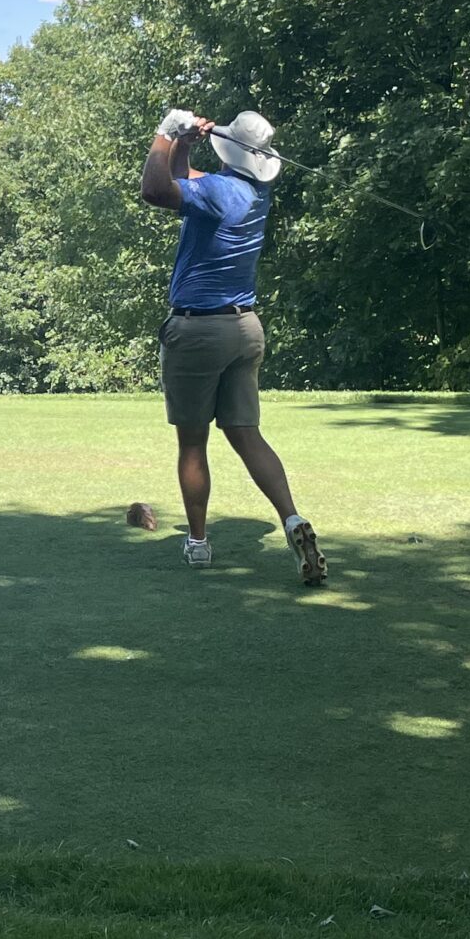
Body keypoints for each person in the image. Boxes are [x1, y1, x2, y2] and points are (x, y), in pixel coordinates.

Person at [139, 108, 325, 583]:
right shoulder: (254, 193)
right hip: (245, 330)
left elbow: (156, 189)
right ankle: (293, 519)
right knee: (245, 434)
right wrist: (186, 141)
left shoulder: (219, 192)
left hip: (198, 330)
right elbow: (186, 177)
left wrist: (165, 132)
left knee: (193, 440)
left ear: (232, 152)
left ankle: (198, 543)